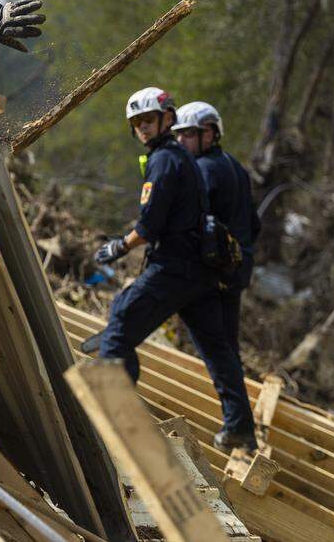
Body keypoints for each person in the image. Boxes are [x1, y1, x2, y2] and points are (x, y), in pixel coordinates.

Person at [84, 87, 257, 452]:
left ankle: (117, 427)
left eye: (148, 120)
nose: (143, 129)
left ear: (167, 118)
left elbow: (150, 225)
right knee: (219, 350)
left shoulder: (168, 160)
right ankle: (241, 429)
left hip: (176, 267)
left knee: (117, 331)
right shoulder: (202, 161)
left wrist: (119, 246)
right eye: (137, 124)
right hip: (207, 274)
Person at [173, 100, 261, 391]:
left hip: (213, 273)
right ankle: (238, 415)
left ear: (209, 133)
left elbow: (190, 223)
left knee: (215, 349)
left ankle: (234, 418)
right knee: (227, 347)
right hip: (235, 272)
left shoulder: (202, 170)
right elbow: (255, 225)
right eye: (177, 135)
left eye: (186, 134)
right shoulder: (237, 168)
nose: (179, 141)